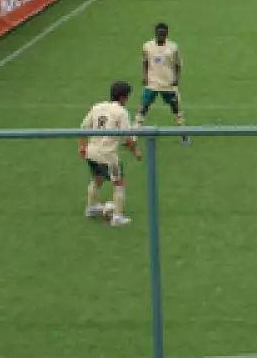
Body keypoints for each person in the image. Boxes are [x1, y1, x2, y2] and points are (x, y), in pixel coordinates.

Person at [80, 80, 142, 228]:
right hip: (108, 155)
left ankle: (91, 207)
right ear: (122, 97)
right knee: (119, 182)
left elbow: (82, 128)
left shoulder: (97, 106)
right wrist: (136, 152)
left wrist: (82, 147)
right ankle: (118, 216)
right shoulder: (121, 112)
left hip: (92, 152)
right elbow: (128, 138)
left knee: (97, 178)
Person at [138, 22, 188, 144]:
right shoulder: (147, 46)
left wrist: (177, 78)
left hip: (168, 84)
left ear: (166, 34)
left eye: (163, 34)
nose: (161, 36)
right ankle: (133, 135)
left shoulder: (173, 47)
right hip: (152, 83)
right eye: (159, 34)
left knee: (176, 109)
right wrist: (144, 76)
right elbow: (145, 62)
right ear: (155, 33)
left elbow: (178, 64)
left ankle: (183, 133)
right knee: (144, 107)